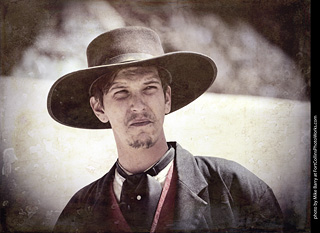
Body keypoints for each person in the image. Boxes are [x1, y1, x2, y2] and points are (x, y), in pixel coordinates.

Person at [47, 26, 283, 232]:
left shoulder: (234, 188)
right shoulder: (78, 211)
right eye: (121, 92)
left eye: (149, 88)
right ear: (99, 108)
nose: (138, 106)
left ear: (167, 98)